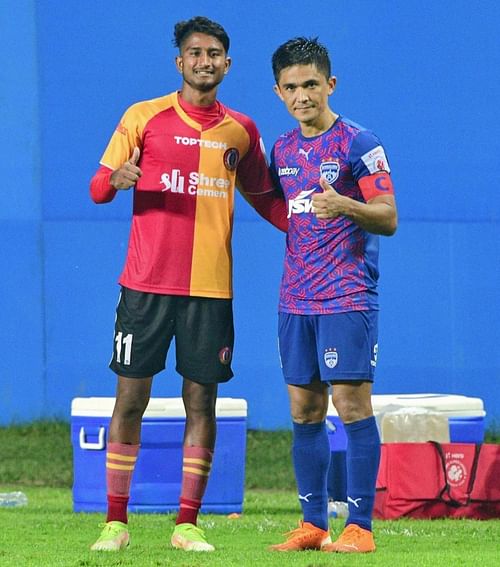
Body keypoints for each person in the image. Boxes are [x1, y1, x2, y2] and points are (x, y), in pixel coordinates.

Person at [89, 16, 286, 553]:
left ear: (227, 63)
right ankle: (115, 523)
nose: (204, 61)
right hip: (146, 285)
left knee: (203, 403)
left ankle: (187, 524)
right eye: (194, 53)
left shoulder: (240, 131)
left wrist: (310, 230)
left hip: (210, 290)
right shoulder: (143, 117)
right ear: (180, 62)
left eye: (214, 53)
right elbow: (98, 188)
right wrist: (116, 179)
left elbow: (266, 197)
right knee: (131, 399)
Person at [268, 37, 397, 554]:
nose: (303, 96)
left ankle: (360, 528)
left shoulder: (359, 143)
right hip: (293, 300)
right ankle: (313, 525)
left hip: (346, 298)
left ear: (330, 84)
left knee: (349, 404)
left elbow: (387, 216)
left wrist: (345, 205)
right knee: (303, 410)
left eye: (312, 85)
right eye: (292, 87)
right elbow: (284, 211)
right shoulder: (280, 150)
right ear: (279, 91)